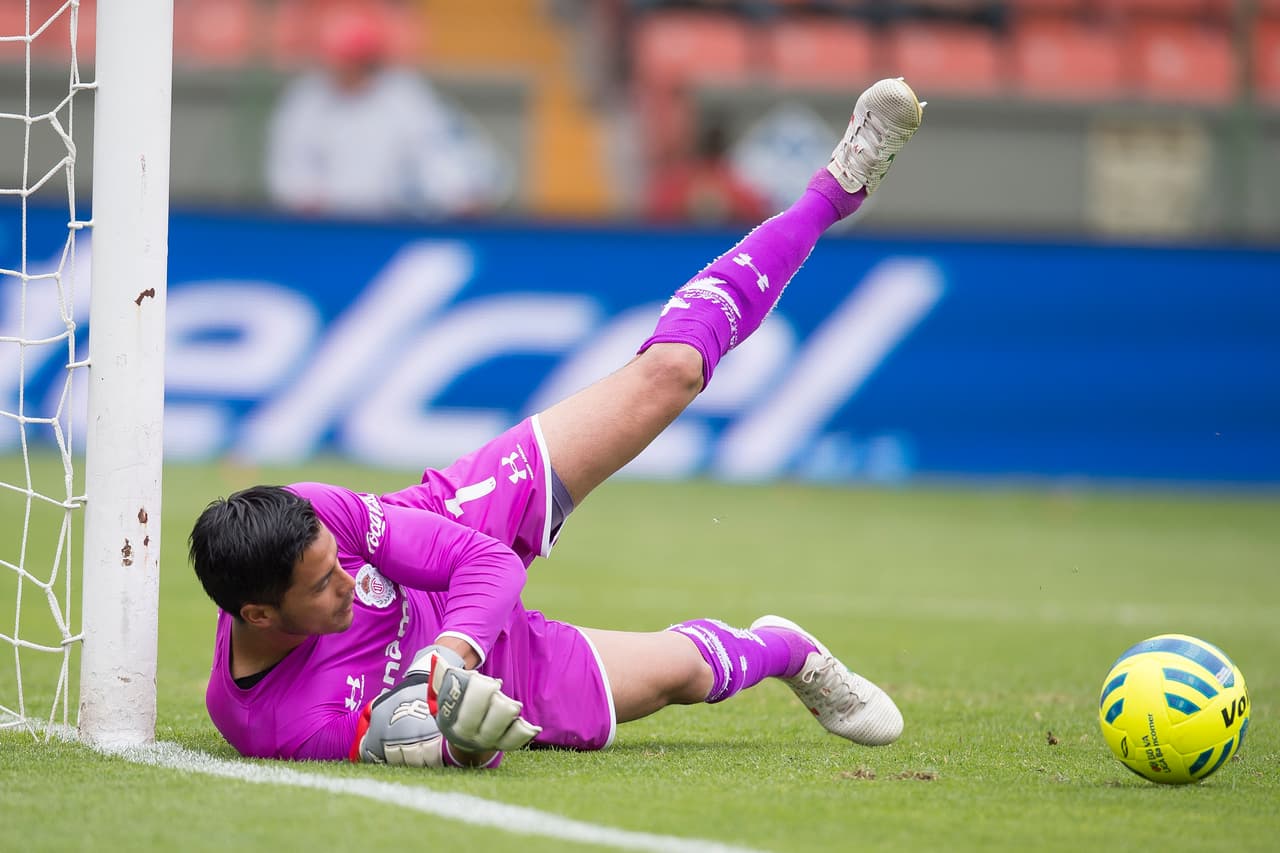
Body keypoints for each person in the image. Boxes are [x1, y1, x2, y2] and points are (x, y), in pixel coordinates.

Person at [191, 78, 926, 768]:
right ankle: (787, 649)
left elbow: (488, 561)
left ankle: (834, 190)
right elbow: (426, 745)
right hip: (503, 664)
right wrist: (465, 739)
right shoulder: (277, 725)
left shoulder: (318, 512)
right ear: (258, 612)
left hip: (450, 534)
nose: (348, 585)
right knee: (683, 676)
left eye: (336, 564)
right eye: (322, 585)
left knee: (669, 373)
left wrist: (443, 656)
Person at [264, 4, 511, 219]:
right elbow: (289, 172)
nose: (342, 68)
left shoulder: (405, 96)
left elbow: (442, 157)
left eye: (353, 60)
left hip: (390, 227)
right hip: (324, 230)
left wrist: (460, 195)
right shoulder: (305, 98)